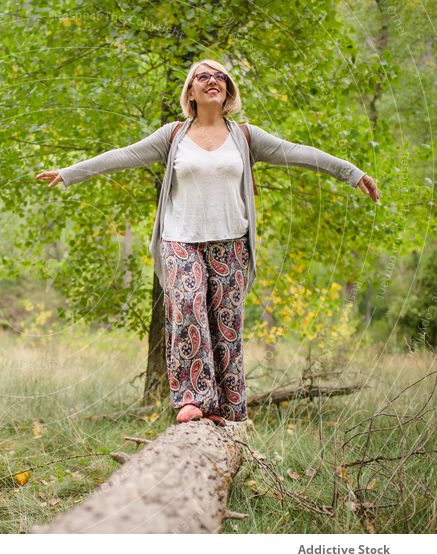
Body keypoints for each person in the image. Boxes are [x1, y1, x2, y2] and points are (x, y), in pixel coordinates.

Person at [35, 59, 381, 426]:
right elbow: (124, 156)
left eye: (220, 77)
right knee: (188, 307)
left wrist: (352, 172)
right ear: (191, 91)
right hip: (180, 240)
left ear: (228, 90)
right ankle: (193, 399)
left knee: (225, 326)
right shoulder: (173, 135)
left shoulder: (246, 136)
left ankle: (228, 411)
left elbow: (298, 153)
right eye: (203, 76)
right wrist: (69, 173)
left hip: (230, 244)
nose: (212, 81)